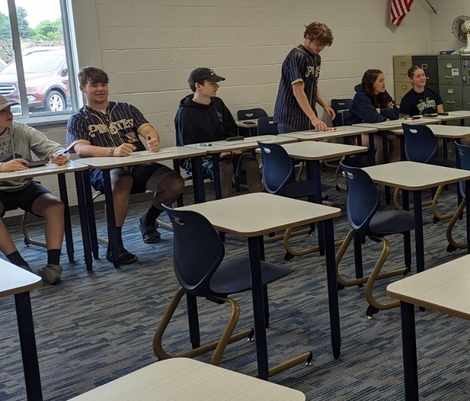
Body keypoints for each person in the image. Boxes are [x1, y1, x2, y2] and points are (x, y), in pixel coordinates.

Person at [67, 67, 185, 264]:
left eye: (103, 84)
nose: (100, 89)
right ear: (82, 88)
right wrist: (111, 151)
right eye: (94, 85)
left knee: (174, 183)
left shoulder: (126, 108)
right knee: (121, 180)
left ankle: (148, 220)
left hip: (137, 164)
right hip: (104, 170)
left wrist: (152, 140)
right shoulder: (78, 118)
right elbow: (80, 148)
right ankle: (115, 244)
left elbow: (148, 129)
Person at [0, 96, 68, 284]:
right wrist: (2, 167)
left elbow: (55, 148)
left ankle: (53, 265)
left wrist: (60, 156)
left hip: (24, 186)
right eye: (2, 111)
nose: (9, 114)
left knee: (55, 206)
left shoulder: (21, 130)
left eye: (9, 109)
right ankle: (19, 264)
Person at [174, 67, 262, 199]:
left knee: (251, 162)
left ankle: (259, 201)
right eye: (212, 83)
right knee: (225, 167)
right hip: (198, 157)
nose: (217, 86)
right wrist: (217, 153)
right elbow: (188, 147)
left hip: (224, 152)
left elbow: (231, 129)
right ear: (198, 86)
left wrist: (233, 146)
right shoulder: (185, 113)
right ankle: (223, 205)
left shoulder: (218, 103)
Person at [273, 22, 335, 133]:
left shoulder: (316, 57)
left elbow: (312, 84)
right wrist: (314, 118)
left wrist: (324, 105)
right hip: (290, 117)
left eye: (323, 45)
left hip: (306, 117)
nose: (320, 48)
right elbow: (298, 90)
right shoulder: (297, 56)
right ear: (308, 37)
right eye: (318, 44)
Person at [348, 69, 401, 163]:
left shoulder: (382, 93)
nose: (384, 83)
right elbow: (374, 118)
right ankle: (379, 170)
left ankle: (392, 166)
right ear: (372, 83)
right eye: (381, 81)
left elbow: (396, 113)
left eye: (384, 80)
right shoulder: (361, 97)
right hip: (357, 133)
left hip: (377, 131)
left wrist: (380, 110)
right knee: (382, 144)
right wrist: (386, 112)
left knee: (397, 139)